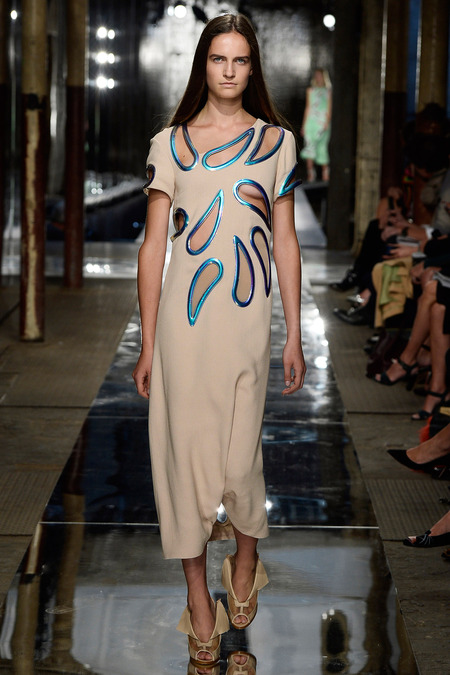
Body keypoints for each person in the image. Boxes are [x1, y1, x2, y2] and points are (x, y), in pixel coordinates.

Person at [132, 13, 306, 672]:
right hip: (183, 328)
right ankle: (198, 600)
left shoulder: (276, 143)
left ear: (253, 68)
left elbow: (285, 239)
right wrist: (147, 342)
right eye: (217, 59)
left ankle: (246, 555)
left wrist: (293, 331)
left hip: (246, 324)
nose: (229, 71)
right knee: (184, 464)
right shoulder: (171, 144)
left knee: (238, 462)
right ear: (202, 65)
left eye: (240, 60)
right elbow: (154, 247)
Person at [300, 68, 332, 182]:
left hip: (322, 122)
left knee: (322, 147)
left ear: (324, 77)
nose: (318, 77)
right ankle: (311, 174)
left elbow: (329, 108)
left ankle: (325, 174)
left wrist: (326, 122)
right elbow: (308, 107)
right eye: (316, 75)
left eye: (320, 75)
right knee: (309, 147)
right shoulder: (310, 90)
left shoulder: (328, 91)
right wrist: (304, 125)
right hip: (311, 122)